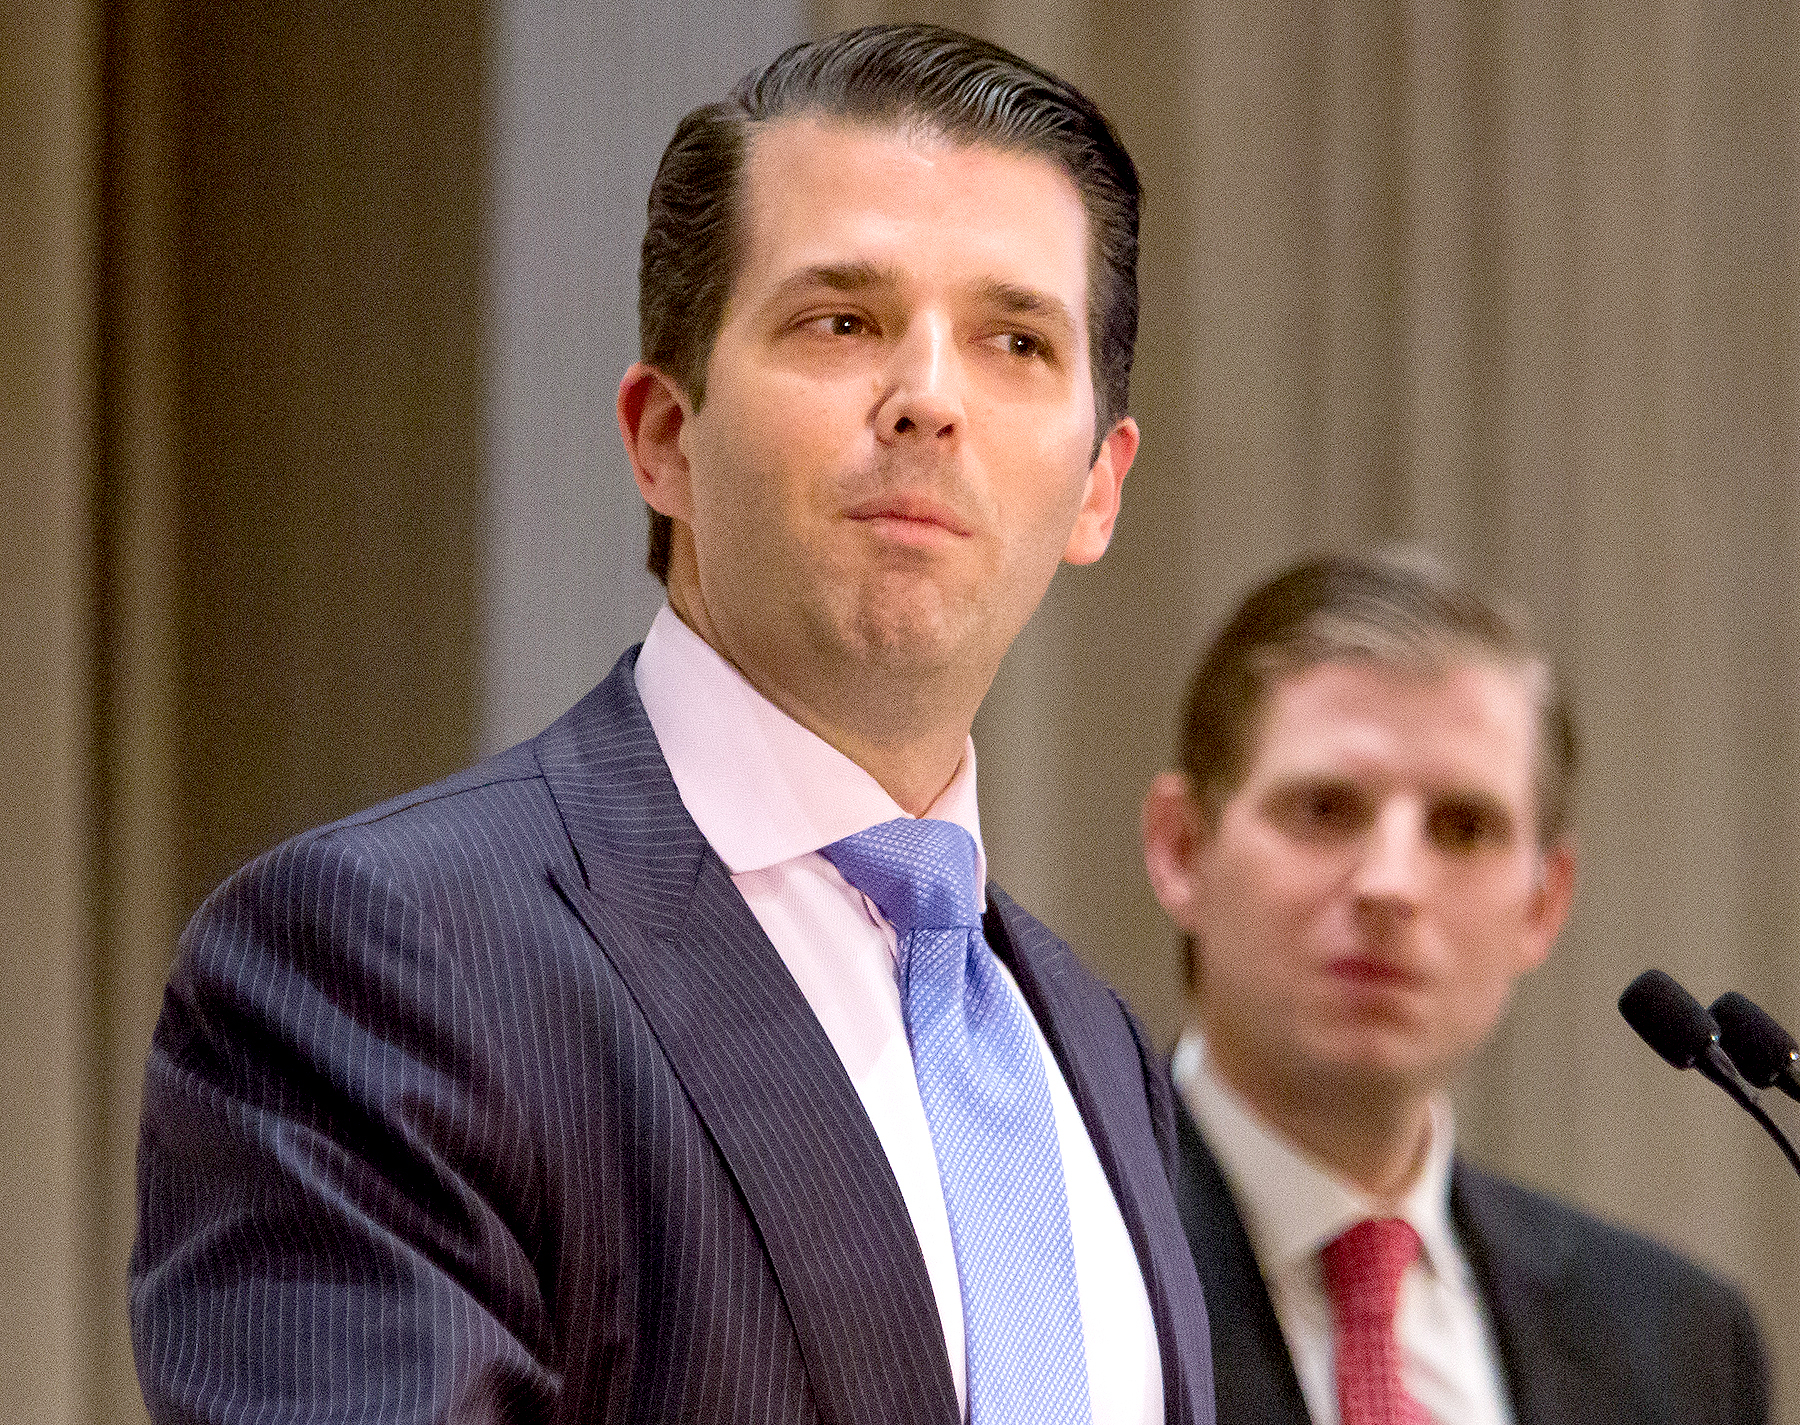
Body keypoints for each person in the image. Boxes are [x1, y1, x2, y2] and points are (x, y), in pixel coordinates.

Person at [130, 23, 1214, 1425]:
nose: (929, 399)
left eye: (1016, 340)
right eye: (842, 320)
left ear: (1098, 487)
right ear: (663, 436)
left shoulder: (1092, 1042)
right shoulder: (380, 959)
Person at [1140, 550, 1769, 1425]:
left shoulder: (1679, 1343)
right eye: (1326, 808)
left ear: (1542, 904)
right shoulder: (1052, 1270)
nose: (1391, 882)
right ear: (1181, 849)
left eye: (1463, 827)